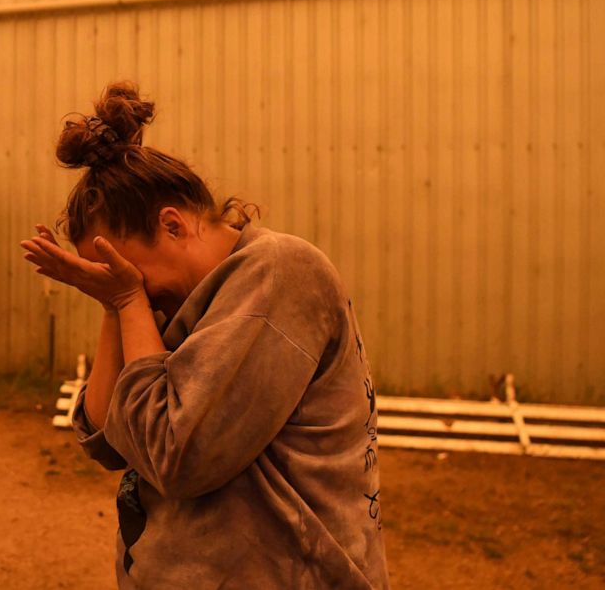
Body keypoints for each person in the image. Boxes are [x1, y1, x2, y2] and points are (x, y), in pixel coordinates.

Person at [20, 82, 389, 589]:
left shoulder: (278, 271)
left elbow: (175, 456)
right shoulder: (178, 302)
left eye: (128, 271)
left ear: (172, 226)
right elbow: (112, 442)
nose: (134, 290)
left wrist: (130, 301)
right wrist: (116, 304)